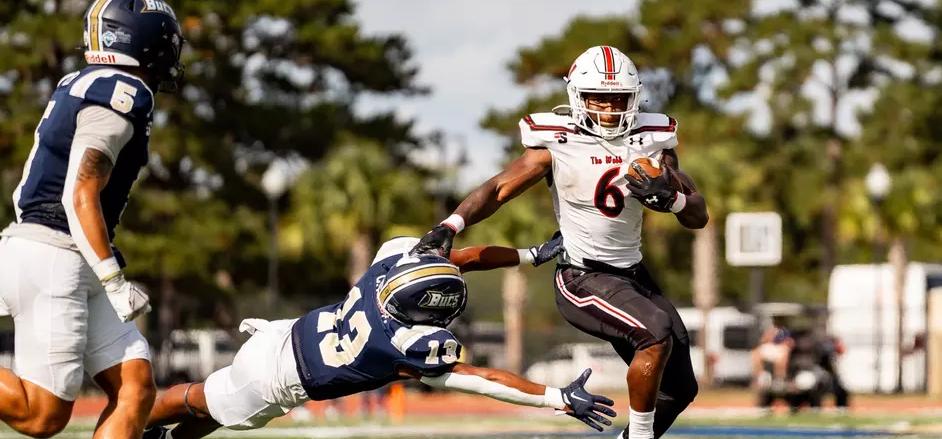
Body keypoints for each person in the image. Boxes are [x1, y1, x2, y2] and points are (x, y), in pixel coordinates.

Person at [411, 46, 709, 439]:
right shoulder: (557, 141)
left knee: (681, 388)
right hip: (582, 276)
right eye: (597, 99)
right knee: (655, 332)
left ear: (634, 98)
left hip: (633, 275)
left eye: (617, 98)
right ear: (577, 98)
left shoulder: (652, 141)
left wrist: (673, 198)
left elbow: (698, 215)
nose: (608, 109)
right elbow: (500, 188)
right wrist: (451, 225)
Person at [143, 235, 616, 438]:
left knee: (207, 402)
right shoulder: (408, 344)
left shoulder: (389, 264)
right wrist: (556, 396)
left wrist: (530, 253)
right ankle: (128, 423)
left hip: (284, 337)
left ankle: (137, 424)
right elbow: (483, 378)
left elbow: (458, 257)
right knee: (203, 403)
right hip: (277, 381)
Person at [0, 0, 184, 437]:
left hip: (64, 252)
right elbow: (78, 194)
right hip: (54, 253)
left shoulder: (86, 82)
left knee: (134, 387)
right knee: (40, 415)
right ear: (142, 40)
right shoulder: (122, 91)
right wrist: (113, 280)